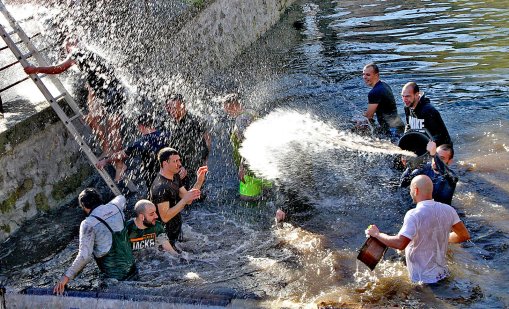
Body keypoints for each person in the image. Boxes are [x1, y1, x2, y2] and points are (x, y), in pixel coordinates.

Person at [24, 38, 127, 179]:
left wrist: (36, 69)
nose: (66, 50)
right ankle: (107, 149)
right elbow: (95, 81)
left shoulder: (76, 53)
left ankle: (120, 164)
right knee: (91, 118)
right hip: (108, 91)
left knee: (114, 130)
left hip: (114, 93)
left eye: (66, 46)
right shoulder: (88, 55)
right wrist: (91, 104)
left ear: (71, 45)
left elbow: (58, 69)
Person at [366, 175, 470, 284]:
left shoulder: (414, 214)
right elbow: (464, 235)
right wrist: (440, 237)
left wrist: (377, 234)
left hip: (423, 282)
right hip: (444, 275)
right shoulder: (449, 210)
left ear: (415, 190)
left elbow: (400, 244)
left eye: (410, 189)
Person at [53, 188, 136, 294]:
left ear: (84, 207)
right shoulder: (116, 206)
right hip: (132, 269)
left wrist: (66, 277)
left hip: (114, 279)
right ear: (99, 198)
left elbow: (84, 256)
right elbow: (121, 197)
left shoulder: (88, 224)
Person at [150, 147, 208, 247]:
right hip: (163, 237)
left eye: (179, 160)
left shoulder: (174, 176)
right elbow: (165, 217)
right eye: (175, 161)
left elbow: (188, 200)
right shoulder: (160, 187)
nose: (180, 164)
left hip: (175, 229)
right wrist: (184, 200)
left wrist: (199, 181)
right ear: (165, 164)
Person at [96, 113, 168, 188]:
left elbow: (120, 155)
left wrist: (105, 161)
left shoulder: (141, 143)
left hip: (157, 182)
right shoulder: (165, 135)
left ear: (141, 127)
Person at [223, 93, 268, 201]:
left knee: (247, 200)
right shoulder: (251, 113)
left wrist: (242, 166)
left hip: (250, 171)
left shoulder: (241, 119)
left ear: (233, 106)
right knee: (265, 197)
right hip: (261, 167)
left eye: (226, 108)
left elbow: (249, 144)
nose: (225, 111)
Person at [164, 93, 211, 189]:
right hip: (178, 166)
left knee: (195, 195)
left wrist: (189, 168)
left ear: (182, 106)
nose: (171, 111)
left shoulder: (194, 122)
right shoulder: (170, 122)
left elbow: (204, 145)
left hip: (192, 166)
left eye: (174, 107)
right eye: (169, 108)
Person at [401, 141, 458, 205]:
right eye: (435, 157)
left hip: (442, 211)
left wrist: (435, 155)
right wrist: (408, 167)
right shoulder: (424, 168)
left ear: (450, 161)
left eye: (442, 158)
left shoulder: (452, 177)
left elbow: (445, 172)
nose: (435, 161)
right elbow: (404, 184)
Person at [401, 82, 452, 147]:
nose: (404, 99)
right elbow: (409, 126)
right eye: (403, 96)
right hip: (422, 144)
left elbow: (441, 138)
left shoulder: (429, 111)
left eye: (408, 96)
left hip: (441, 150)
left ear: (416, 95)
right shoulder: (407, 107)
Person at [362, 63, 405, 139]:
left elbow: (369, 116)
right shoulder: (384, 85)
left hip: (391, 132)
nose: (364, 77)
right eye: (363, 74)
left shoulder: (374, 92)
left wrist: (360, 121)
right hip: (400, 126)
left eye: (368, 75)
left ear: (376, 75)